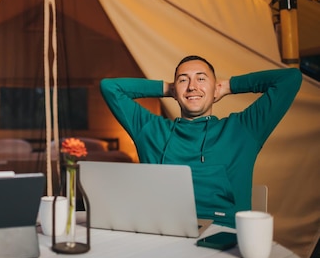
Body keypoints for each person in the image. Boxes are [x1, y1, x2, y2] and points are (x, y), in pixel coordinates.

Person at [99, 55, 302, 228]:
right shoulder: (150, 131)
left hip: (225, 238)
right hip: (164, 235)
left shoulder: (244, 129)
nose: (192, 87)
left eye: (201, 79)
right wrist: (167, 88)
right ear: (175, 92)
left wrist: (230, 86)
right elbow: (110, 87)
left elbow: (290, 79)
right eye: (183, 80)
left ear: (215, 89)